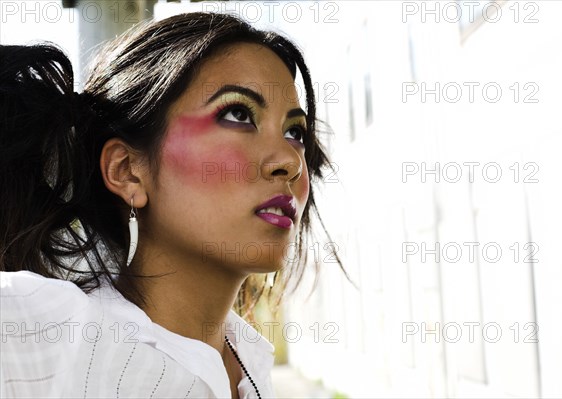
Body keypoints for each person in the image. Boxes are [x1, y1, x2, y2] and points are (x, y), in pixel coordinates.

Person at [0, 11, 343, 399]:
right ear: (128, 171)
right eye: (238, 113)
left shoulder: (249, 361)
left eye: (294, 132)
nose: (290, 160)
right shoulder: (53, 335)